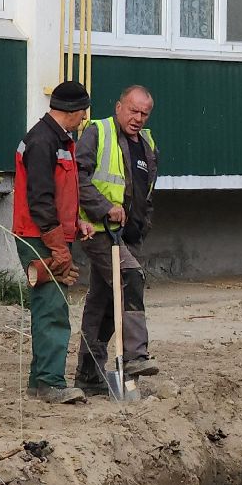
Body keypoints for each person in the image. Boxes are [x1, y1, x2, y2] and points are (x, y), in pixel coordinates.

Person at [74, 85, 161, 394]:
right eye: (133, 110)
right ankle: (137, 356)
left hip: (127, 235)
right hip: (98, 231)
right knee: (130, 277)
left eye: (144, 113)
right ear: (119, 106)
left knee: (103, 306)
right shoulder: (98, 131)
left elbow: (145, 191)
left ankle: (89, 375)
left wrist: (142, 224)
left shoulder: (147, 144)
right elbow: (77, 176)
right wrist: (103, 208)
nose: (138, 118)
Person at [12, 80, 91, 404]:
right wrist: (58, 246)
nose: (85, 116)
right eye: (83, 110)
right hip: (39, 235)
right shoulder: (44, 141)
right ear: (72, 111)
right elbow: (41, 198)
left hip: (47, 232)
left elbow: (59, 194)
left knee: (48, 304)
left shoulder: (55, 139)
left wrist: (76, 224)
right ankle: (50, 383)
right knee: (53, 307)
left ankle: (40, 380)